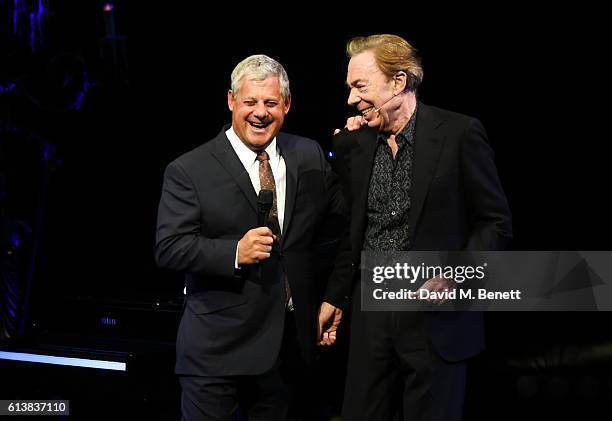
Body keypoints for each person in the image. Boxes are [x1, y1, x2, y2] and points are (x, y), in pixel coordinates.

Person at [329, 34, 513, 420]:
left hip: (436, 318)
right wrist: (336, 297)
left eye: (360, 86)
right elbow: (349, 233)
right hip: (371, 316)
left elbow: (495, 223)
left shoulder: (460, 134)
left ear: (399, 82)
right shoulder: (354, 144)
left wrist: (456, 276)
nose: (350, 99)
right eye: (349, 88)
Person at [155, 54, 345, 421]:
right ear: (231, 100)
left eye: (271, 103)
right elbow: (169, 247)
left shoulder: (307, 155)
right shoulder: (189, 169)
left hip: (286, 352)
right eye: (250, 102)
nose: (260, 112)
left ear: (286, 105)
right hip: (216, 350)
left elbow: (336, 225)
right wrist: (234, 252)